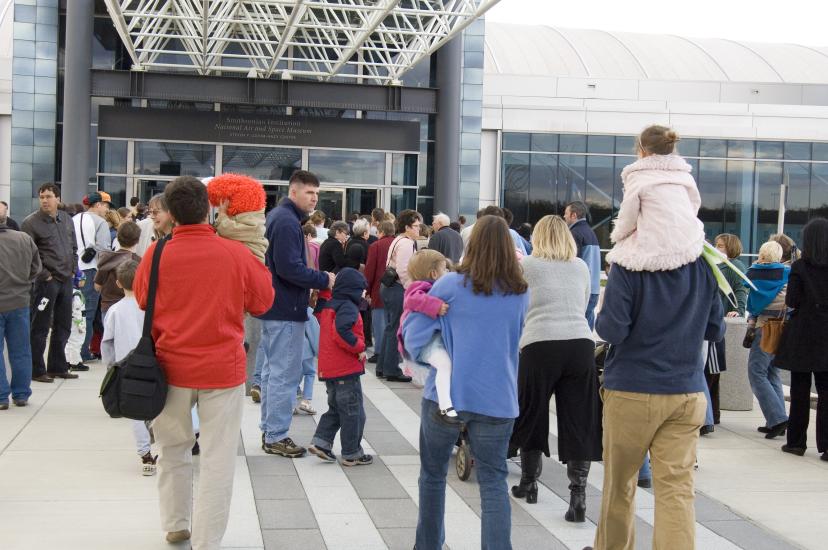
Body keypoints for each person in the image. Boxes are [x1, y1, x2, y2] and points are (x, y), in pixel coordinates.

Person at [589, 141, 724, 550]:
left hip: (633, 388)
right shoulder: (703, 264)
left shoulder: (630, 264)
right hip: (686, 390)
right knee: (677, 491)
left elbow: (612, 330)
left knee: (619, 487)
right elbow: (715, 329)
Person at [133, 176, 274, 548]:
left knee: (172, 449)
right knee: (217, 459)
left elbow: (143, 300)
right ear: (210, 208)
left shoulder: (156, 253)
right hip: (222, 370)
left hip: (170, 369)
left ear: (172, 213)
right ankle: (208, 539)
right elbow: (262, 302)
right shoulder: (236, 253)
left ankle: (176, 523)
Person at [403, 215, 529, 550]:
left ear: (469, 245)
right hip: (498, 398)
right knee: (493, 482)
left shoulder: (448, 285)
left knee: (432, 476)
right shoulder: (519, 292)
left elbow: (414, 340)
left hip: (447, 396)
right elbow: (516, 338)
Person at [508, 215, 602, 520]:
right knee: (578, 419)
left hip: (539, 343)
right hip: (579, 344)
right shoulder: (581, 266)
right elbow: (585, 302)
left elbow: (516, 305)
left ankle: (529, 483)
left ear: (537, 236)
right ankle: (578, 497)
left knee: (532, 413)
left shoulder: (527, 266)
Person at [258, 170, 334, 459]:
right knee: (285, 373)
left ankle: (270, 429)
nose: (314, 198)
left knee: (271, 372)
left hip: (275, 306)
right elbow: (289, 268)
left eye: (316, 193)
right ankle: (277, 435)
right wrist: (323, 279)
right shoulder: (287, 222)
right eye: (309, 192)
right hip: (286, 307)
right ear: (293, 192)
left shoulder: (280, 217)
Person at [605, 125, 705, 273]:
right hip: (687, 243)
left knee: (620, 264)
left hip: (653, 246)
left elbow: (629, 215)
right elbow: (694, 206)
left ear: (642, 150)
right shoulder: (685, 176)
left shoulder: (638, 177)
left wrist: (619, 234)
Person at [773, 218, 828, 462]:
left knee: (800, 390)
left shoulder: (800, 267)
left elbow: (792, 300)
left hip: (803, 334)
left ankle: (796, 442)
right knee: (826, 391)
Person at [308, 267, 373, 466]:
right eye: (361, 289)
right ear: (352, 289)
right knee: (354, 412)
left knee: (336, 408)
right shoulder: (348, 307)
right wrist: (360, 348)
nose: (363, 293)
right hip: (345, 368)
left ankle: (321, 443)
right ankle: (351, 452)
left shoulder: (330, 305)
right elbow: (342, 331)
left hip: (330, 369)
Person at [100, 260, 158, 475]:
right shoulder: (151, 307)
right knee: (156, 402)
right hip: (152, 363)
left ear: (118, 283)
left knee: (134, 411)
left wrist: (111, 365)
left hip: (126, 367)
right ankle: (155, 427)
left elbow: (107, 342)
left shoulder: (114, 311)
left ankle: (145, 454)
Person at [22, 183, 79, 383]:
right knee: (40, 326)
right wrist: (44, 275)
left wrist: (73, 268)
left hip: (65, 280)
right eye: (41, 197)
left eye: (48, 196)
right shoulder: (31, 223)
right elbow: (28, 254)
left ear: (58, 198)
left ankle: (57, 366)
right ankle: (36, 370)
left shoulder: (66, 219)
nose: (44, 200)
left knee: (63, 325)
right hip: (47, 282)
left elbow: (73, 247)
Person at [703, 234, 749, 431]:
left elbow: (740, 290)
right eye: (716, 245)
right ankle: (713, 415)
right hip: (714, 320)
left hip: (716, 322)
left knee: (710, 372)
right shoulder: (718, 264)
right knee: (711, 372)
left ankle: (709, 418)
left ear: (730, 247)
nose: (717, 248)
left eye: (721, 245)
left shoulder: (733, 266)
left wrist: (738, 310)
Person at [745, 241, 790, 439]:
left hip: (763, 327)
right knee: (772, 372)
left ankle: (778, 418)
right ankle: (776, 420)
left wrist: (750, 327)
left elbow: (752, 304)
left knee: (756, 372)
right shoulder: (786, 273)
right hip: (782, 327)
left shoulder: (752, 273)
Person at [397, 250, 453, 410]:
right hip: (421, 340)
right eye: (445, 269)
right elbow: (412, 299)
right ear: (434, 273)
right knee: (444, 365)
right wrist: (435, 306)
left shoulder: (429, 286)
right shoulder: (420, 287)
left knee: (442, 366)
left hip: (425, 338)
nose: (448, 272)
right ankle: (445, 404)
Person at [0, 212, 41, 408]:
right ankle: (21, 394)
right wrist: (25, 282)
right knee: (21, 350)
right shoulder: (24, 239)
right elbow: (36, 268)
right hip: (20, 300)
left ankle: (1, 396)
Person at [378, 210, 422, 383]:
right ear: (407, 227)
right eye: (416, 226)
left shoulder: (398, 240)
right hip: (397, 288)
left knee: (390, 327)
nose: (419, 229)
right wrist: (411, 289)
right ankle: (392, 369)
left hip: (389, 286)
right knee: (396, 328)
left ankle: (383, 367)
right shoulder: (406, 243)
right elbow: (403, 270)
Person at [73, 191, 112, 362]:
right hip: (91, 270)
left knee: (75, 312)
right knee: (88, 313)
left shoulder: (74, 219)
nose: (107, 210)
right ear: (98, 205)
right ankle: (83, 352)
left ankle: (73, 350)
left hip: (74, 270)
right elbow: (104, 251)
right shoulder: (100, 222)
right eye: (106, 206)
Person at [207, 173, 268, 263]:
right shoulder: (250, 217)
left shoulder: (251, 222)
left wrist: (222, 214)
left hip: (251, 266)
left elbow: (227, 230)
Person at [564, 201, 602, 330]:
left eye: (566, 214)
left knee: (576, 331)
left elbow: (571, 263)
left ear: (574, 215)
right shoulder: (590, 232)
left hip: (582, 291)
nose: (564, 217)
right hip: (594, 289)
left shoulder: (574, 234)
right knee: (587, 332)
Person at [94, 221, 142, 317]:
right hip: (132, 307)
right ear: (137, 240)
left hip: (108, 307)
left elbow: (97, 286)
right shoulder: (140, 262)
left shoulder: (107, 259)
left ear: (118, 237)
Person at [364, 220, 395, 365]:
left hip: (380, 288)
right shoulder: (400, 244)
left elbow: (370, 270)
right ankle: (394, 353)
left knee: (380, 322)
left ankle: (379, 352)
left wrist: (367, 290)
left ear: (380, 231)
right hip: (398, 289)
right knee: (394, 322)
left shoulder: (375, 246)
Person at [346, 218, 372, 346]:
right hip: (361, 281)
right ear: (365, 232)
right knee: (364, 311)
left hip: (350, 280)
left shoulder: (349, 243)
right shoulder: (367, 246)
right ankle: (365, 338)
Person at [295, 307, 319, 416]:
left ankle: (290, 404)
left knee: (293, 377)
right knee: (310, 373)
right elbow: (314, 334)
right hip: (305, 349)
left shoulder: (288, 307)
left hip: (290, 348)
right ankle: (306, 400)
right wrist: (317, 351)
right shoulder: (308, 311)